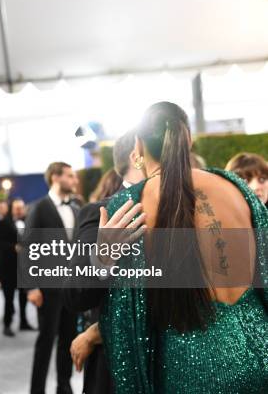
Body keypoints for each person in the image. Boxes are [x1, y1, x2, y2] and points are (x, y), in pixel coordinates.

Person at [100, 102, 268, 393]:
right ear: (188, 139)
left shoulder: (129, 207)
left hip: (194, 368)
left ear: (137, 147)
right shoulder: (235, 186)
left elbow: (127, 322)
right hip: (262, 345)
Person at [63, 130, 145, 394]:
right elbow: (76, 295)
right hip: (118, 368)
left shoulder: (183, 209)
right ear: (138, 154)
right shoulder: (102, 212)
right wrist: (103, 258)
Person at [26, 162, 81, 394]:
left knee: (68, 340)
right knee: (46, 341)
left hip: (72, 288)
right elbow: (28, 248)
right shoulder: (39, 208)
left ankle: (64, 386)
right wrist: (31, 287)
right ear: (56, 178)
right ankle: (36, 389)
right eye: (70, 176)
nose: (75, 180)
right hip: (48, 288)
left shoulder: (78, 208)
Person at [0, 198, 35, 337]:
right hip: (9, 267)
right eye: (17, 207)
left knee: (24, 296)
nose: (19, 210)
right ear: (12, 208)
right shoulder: (3, 223)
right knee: (9, 298)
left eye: (21, 207)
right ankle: (7, 325)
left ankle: (23, 322)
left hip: (24, 267)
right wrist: (14, 247)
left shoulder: (29, 221)